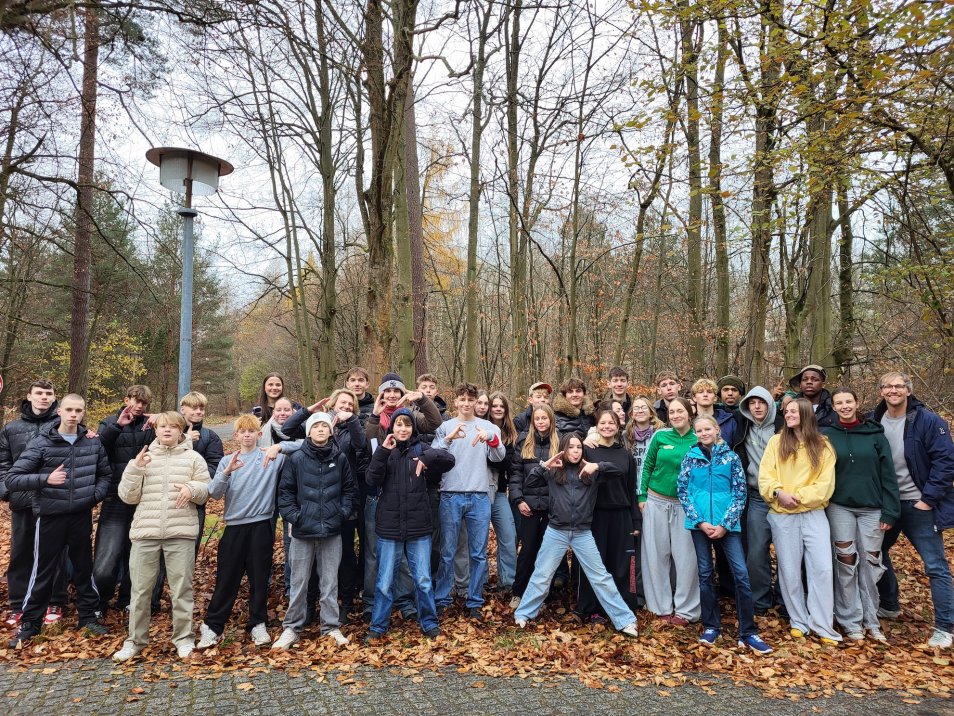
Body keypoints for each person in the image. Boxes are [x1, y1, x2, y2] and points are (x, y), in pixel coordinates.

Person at [6, 394, 111, 648]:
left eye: (78, 410)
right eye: (69, 410)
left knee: (84, 569)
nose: (74, 414)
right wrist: (45, 480)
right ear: (60, 411)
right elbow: (13, 478)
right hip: (51, 517)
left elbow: (105, 475)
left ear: (84, 412)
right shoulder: (43, 443)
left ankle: (88, 618)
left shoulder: (92, 443)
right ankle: (30, 624)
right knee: (43, 571)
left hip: (80, 516)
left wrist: (92, 497)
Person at [513, 434, 638, 638]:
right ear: (564, 449)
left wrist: (597, 466)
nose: (575, 451)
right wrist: (545, 465)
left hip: (582, 533)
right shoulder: (554, 472)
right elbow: (530, 482)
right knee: (542, 575)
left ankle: (625, 620)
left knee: (600, 577)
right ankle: (524, 614)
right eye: (571, 447)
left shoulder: (590, 472)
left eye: (579, 447)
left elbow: (619, 471)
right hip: (556, 531)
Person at [112, 411, 210, 662]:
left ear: (181, 430)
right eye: (162, 426)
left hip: (181, 533)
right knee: (141, 590)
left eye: (172, 427)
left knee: (181, 590)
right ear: (155, 430)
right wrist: (135, 469)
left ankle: (184, 639)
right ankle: (135, 641)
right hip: (146, 532)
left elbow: (205, 492)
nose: (167, 430)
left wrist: (192, 488)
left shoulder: (193, 458)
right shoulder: (144, 458)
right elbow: (127, 496)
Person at [872, 371, 954, 649]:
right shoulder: (875, 420)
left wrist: (928, 500)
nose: (893, 390)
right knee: (876, 553)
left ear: (908, 390)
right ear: (881, 391)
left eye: (899, 386)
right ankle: (890, 604)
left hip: (920, 505)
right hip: (889, 505)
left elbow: (945, 462)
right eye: (888, 386)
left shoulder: (928, 421)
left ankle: (944, 626)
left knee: (935, 566)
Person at [678, 415, 772, 655]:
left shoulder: (730, 458)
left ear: (717, 429)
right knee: (705, 573)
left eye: (707, 428)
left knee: (740, 573)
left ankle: (748, 631)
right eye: (698, 430)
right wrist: (700, 521)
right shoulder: (691, 457)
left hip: (727, 526)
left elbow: (740, 493)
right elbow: (683, 491)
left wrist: (725, 524)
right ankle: (711, 625)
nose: (703, 433)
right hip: (699, 525)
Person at [364, 409, 455, 642]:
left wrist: (426, 459)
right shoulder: (385, 451)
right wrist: (384, 451)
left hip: (418, 528)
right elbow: (371, 480)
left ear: (413, 428)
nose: (402, 429)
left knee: (423, 580)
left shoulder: (421, 449)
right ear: (392, 427)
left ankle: (429, 622)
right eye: (398, 425)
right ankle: (378, 626)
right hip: (389, 528)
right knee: (384, 582)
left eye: (407, 425)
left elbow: (448, 460)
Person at [197, 414, 285, 650]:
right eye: (242, 432)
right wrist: (226, 473)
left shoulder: (270, 457)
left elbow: (300, 446)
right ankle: (213, 626)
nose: (247, 435)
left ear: (259, 434)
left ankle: (258, 623)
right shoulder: (227, 461)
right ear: (236, 436)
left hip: (261, 526)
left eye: (251, 431)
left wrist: (278, 446)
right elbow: (214, 493)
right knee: (227, 579)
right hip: (234, 528)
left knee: (259, 579)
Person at [759, 398, 841, 645]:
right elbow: (765, 477)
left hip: (813, 514)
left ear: (806, 414)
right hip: (782, 515)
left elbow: (825, 485)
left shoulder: (823, 445)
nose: (789, 414)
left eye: (794, 411)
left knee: (823, 569)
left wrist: (798, 498)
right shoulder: (776, 442)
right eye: (787, 411)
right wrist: (778, 493)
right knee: (790, 570)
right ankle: (799, 621)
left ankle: (823, 624)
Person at [273, 412, 357, 650]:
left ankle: (330, 627)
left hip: (332, 530)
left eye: (324, 426)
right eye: (316, 426)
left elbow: (349, 491)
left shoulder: (339, 458)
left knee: (330, 583)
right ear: (309, 431)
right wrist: (296, 517)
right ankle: (292, 628)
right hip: (303, 531)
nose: (321, 429)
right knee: (299, 582)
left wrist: (341, 513)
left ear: (331, 431)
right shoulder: (296, 458)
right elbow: (285, 493)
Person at [823, 388, 899, 643]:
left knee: (871, 564)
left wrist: (890, 510)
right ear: (833, 407)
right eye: (839, 403)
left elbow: (889, 474)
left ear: (857, 403)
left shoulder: (875, 434)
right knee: (846, 563)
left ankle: (872, 620)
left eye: (848, 401)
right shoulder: (827, 435)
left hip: (872, 509)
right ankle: (851, 621)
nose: (845, 406)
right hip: (839, 507)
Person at [432, 383, 506, 618]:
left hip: (479, 496)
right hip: (450, 495)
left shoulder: (488, 427)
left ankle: (474, 601)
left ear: (476, 402)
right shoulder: (446, 427)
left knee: (478, 553)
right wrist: (448, 440)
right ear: (455, 402)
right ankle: (443, 597)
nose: (466, 403)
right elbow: (433, 457)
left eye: (470, 399)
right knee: (447, 551)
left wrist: (491, 439)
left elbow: (499, 456)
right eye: (462, 399)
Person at [0, 379, 67, 627]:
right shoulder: (11, 428)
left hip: (54, 499)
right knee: (21, 552)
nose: (43, 397)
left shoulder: (64, 424)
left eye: (48, 393)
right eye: (38, 393)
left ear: (54, 397)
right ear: (29, 396)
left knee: (55, 552)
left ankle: (54, 601)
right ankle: (19, 605)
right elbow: (3, 464)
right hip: (23, 499)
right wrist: (7, 491)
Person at [151, 391, 224, 613]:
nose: (197, 412)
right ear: (183, 409)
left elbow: (214, 469)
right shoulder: (166, 431)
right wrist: (184, 441)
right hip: (161, 504)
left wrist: (191, 484)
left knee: (184, 557)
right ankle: (151, 602)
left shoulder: (210, 437)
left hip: (193, 506)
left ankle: (180, 604)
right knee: (156, 556)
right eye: (193, 408)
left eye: (201, 408)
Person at [93, 385, 155, 614]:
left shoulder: (151, 425)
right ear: (126, 398)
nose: (139, 406)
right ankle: (99, 602)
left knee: (136, 553)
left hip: (143, 498)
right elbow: (97, 449)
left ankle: (127, 600)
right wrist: (116, 427)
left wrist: (159, 419)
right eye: (135, 401)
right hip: (115, 497)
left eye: (143, 403)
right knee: (107, 553)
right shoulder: (109, 422)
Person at [639, 397, 700, 624]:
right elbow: (647, 466)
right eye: (672, 412)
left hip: (685, 505)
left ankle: (686, 610)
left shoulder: (698, 439)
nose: (675, 415)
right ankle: (660, 606)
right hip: (655, 501)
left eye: (680, 411)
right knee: (656, 555)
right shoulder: (660, 436)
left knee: (686, 558)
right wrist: (642, 496)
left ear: (689, 413)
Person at [577, 408, 640, 621]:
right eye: (602, 423)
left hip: (621, 515)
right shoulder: (588, 451)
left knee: (622, 564)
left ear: (618, 427)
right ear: (596, 426)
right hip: (594, 516)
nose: (607, 427)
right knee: (596, 563)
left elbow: (631, 489)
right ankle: (591, 608)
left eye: (611, 423)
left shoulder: (626, 455)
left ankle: (622, 607)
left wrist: (635, 520)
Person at [730, 386, 784, 614]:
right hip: (757, 496)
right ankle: (760, 600)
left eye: (761, 402)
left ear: (770, 404)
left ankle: (785, 600)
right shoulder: (744, 425)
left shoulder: (783, 427)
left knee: (787, 552)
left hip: (785, 498)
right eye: (752, 403)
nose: (757, 407)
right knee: (756, 551)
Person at [509, 404, 565, 609]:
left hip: (552, 506)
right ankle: (518, 592)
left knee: (548, 551)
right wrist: (518, 500)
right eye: (537, 419)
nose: (541, 422)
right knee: (528, 550)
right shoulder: (524, 442)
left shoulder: (559, 442)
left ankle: (543, 595)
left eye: (544, 418)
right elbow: (515, 474)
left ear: (551, 420)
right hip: (529, 506)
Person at [486, 391, 519, 593]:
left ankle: (507, 582)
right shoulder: (481, 428)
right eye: (494, 406)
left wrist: (499, 457)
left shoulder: (511, 434)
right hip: (479, 492)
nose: (498, 409)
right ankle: (479, 582)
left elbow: (509, 463)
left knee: (508, 536)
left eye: (501, 406)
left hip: (499, 492)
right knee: (478, 542)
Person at [690, 378, 736, 445]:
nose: (705, 395)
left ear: (715, 398)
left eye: (709, 392)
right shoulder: (688, 420)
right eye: (700, 392)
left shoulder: (729, 421)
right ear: (694, 398)